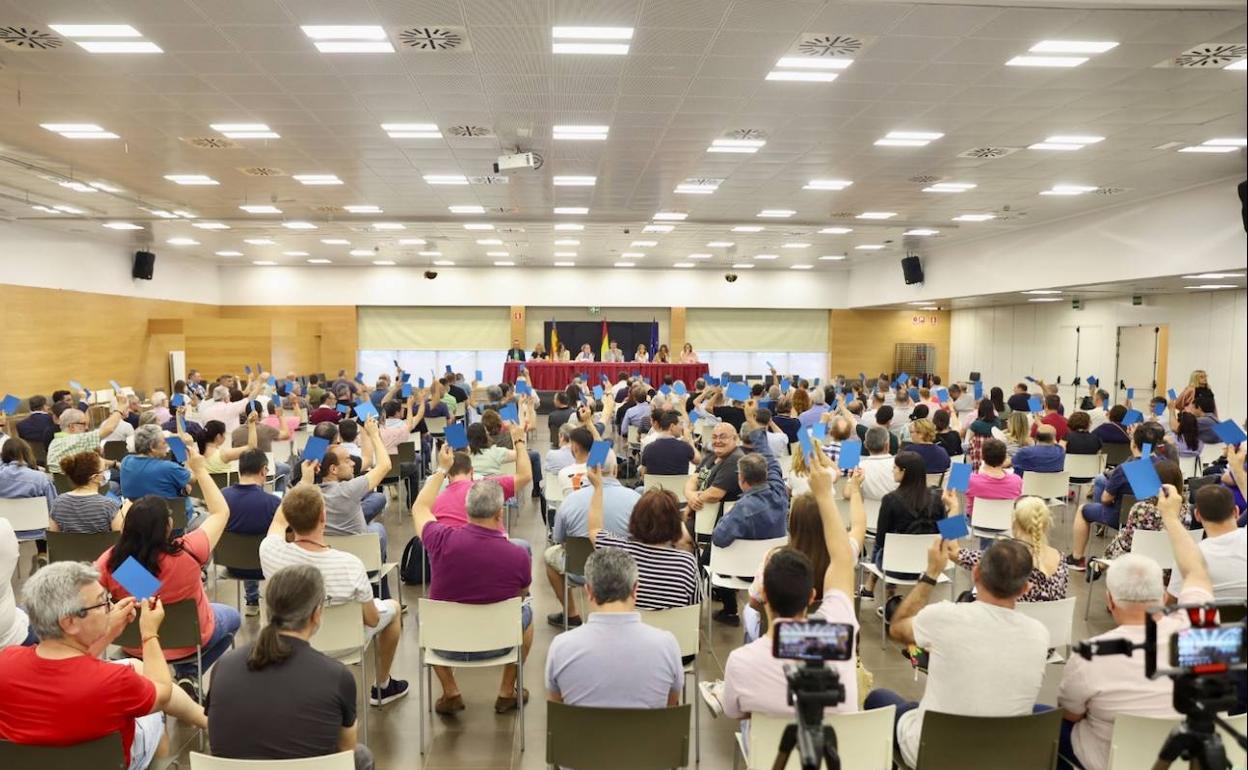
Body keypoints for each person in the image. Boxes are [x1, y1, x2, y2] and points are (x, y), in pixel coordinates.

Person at [1057, 484, 1214, 770]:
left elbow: (1070, 714)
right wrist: (1171, 518)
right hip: (1186, 761)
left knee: (1045, 720)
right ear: (1162, 595)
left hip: (1108, 762)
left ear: (1110, 600)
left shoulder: (1090, 655)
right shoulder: (1199, 630)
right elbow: (1197, 571)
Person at [0, 563, 207, 769]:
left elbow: (69, 667)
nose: (108, 608)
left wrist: (110, 630)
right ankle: (203, 728)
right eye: (101, 604)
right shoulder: (115, 681)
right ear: (69, 622)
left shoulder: (6, 662)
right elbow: (162, 692)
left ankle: (205, 720)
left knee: (134, 665)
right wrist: (149, 633)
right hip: (110, 763)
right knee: (154, 710)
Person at [865, 538, 1050, 769]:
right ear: (1025, 589)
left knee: (878, 699)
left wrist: (931, 573)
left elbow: (897, 626)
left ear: (976, 575)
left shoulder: (944, 617)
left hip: (934, 753)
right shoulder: (1039, 634)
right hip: (1002, 758)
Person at [720, 450, 860, 725]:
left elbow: (734, 712)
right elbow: (843, 556)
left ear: (765, 593)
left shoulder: (742, 661)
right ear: (811, 596)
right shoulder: (839, 635)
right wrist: (830, 494)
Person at [96, 442, 241, 700]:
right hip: (190, 638)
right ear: (167, 527)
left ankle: (173, 674)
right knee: (232, 617)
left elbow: (149, 590)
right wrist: (201, 470)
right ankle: (190, 672)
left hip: (135, 644)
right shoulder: (189, 550)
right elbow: (221, 511)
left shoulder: (111, 561)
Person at [204, 565, 374, 770]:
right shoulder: (336, 676)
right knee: (362, 757)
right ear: (316, 614)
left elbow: (216, 734)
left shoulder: (223, 666)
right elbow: (346, 752)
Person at [409, 447, 533, 715]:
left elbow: (419, 507)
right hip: (500, 643)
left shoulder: (440, 540)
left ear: (466, 512)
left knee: (422, 614)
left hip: (445, 645)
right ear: (499, 515)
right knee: (527, 613)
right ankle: (506, 690)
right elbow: (521, 595)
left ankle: (451, 690)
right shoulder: (518, 555)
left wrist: (441, 470)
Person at [261, 481, 407, 705]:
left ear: (290, 520)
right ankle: (383, 686)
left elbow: (277, 521)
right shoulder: (349, 564)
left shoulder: (270, 551)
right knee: (394, 608)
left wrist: (303, 481)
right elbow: (372, 619)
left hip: (290, 644)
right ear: (323, 517)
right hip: (344, 645)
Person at [545, 548, 683, 708]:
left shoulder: (561, 647)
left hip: (585, 733)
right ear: (635, 589)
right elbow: (670, 706)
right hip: (646, 733)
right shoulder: (667, 645)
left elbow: (558, 709)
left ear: (589, 591)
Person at [584, 468, 700, 609]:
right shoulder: (687, 563)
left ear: (635, 518)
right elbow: (694, 609)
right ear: (675, 524)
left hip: (627, 630)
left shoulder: (617, 552)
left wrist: (598, 488)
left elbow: (594, 529)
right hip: (671, 630)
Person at [545, 452, 638, 627]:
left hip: (580, 571)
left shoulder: (570, 501)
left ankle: (571, 614)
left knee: (550, 555)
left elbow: (559, 540)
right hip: (626, 570)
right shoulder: (635, 499)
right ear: (616, 470)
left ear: (588, 471)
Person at [1068, 425, 1167, 570]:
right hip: (1156, 519)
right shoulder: (1164, 464)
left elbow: (1105, 499)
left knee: (1083, 510)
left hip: (1122, 518)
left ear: (1133, 443)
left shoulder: (1125, 468)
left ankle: (1077, 559)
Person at [862, 451, 956, 596]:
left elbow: (881, 539)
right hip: (929, 565)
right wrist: (955, 508)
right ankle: (875, 589)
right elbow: (948, 535)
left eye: (895, 468)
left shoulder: (890, 500)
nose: (892, 470)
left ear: (903, 471)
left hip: (895, 567)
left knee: (882, 545)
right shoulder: (936, 498)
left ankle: (875, 589)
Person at [318, 419, 393, 575]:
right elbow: (385, 465)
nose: (353, 463)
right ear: (333, 469)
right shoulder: (349, 489)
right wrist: (373, 434)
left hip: (330, 566)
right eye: (347, 460)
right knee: (378, 528)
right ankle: (381, 589)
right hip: (362, 565)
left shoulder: (308, 494)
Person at [957, 496, 1067, 602]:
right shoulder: (1061, 560)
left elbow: (953, 551)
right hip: (1047, 621)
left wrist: (951, 510)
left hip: (1006, 620)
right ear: (1046, 524)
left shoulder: (1003, 558)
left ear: (1014, 522)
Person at [220, 449, 282, 615]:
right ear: (263, 470)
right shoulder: (274, 503)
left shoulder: (221, 497)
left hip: (231, 564)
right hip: (266, 568)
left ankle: (252, 600)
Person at [1166, 483, 1245, 603]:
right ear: (1236, 511)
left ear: (1197, 515)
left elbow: (1172, 601)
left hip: (1206, 620)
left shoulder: (1187, 558)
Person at [1102, 462, 1190, 559]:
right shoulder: (1188, 510)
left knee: (1122, 537)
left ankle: (1098, 566)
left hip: (1141, 565)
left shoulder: (1141, 508)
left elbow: (1127, 545)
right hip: (1175, 565)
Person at [0, 438, 58, 566]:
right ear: (26, 453)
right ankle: (43, 553)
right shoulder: (40, 478)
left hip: (6, 530)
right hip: (39, 530)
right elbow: (54, 507)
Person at [120, 424, 193, 517]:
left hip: (138, 522)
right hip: (173, 523)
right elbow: (194, 477)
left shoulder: (126, 462)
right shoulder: (169, 468)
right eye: (164, 442)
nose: (167, 445)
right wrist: (189, 449)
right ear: (152, 447)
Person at [684, 421, 744, 529]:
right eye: (714, 437)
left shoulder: (735, 459)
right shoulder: (711, 456)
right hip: (699, 513)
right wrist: (690, 495)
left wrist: (691, 502)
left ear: (735, 439)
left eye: (723, 437)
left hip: (715, 523)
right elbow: (693, 480)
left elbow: (715, 494)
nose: (718, 441)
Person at [48, 450, 126, 533]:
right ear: (95, 477)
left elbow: (54, 537)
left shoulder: (58, 503)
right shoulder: (110, 506)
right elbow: (120, 538)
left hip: (69, 546)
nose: (107, 472)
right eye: (104, 469)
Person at [46, 405, 125, 474]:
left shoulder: (53, 443)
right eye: (83, 424)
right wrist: (120, 407)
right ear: (72, 427)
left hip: (63, 489)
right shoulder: (78, 440)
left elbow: (94, 461)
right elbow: (109, 429)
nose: (87, 428)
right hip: (85, 488)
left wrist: (114, 463)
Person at [965, 438, 1022, 516]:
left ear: (982, 456)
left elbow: (953, 500)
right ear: (1005, 458)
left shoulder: (968, 478)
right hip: (1005, 525)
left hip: (974, 525)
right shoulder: (1017, 480)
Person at [640, 409, 697, 476]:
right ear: (672, 426)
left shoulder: (648, 447)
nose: (682, 428)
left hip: (655, 485)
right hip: (679, 486)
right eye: (680, 424)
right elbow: (698, 460)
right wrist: (690, 440)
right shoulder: (684, 446)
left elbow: (643, 474)